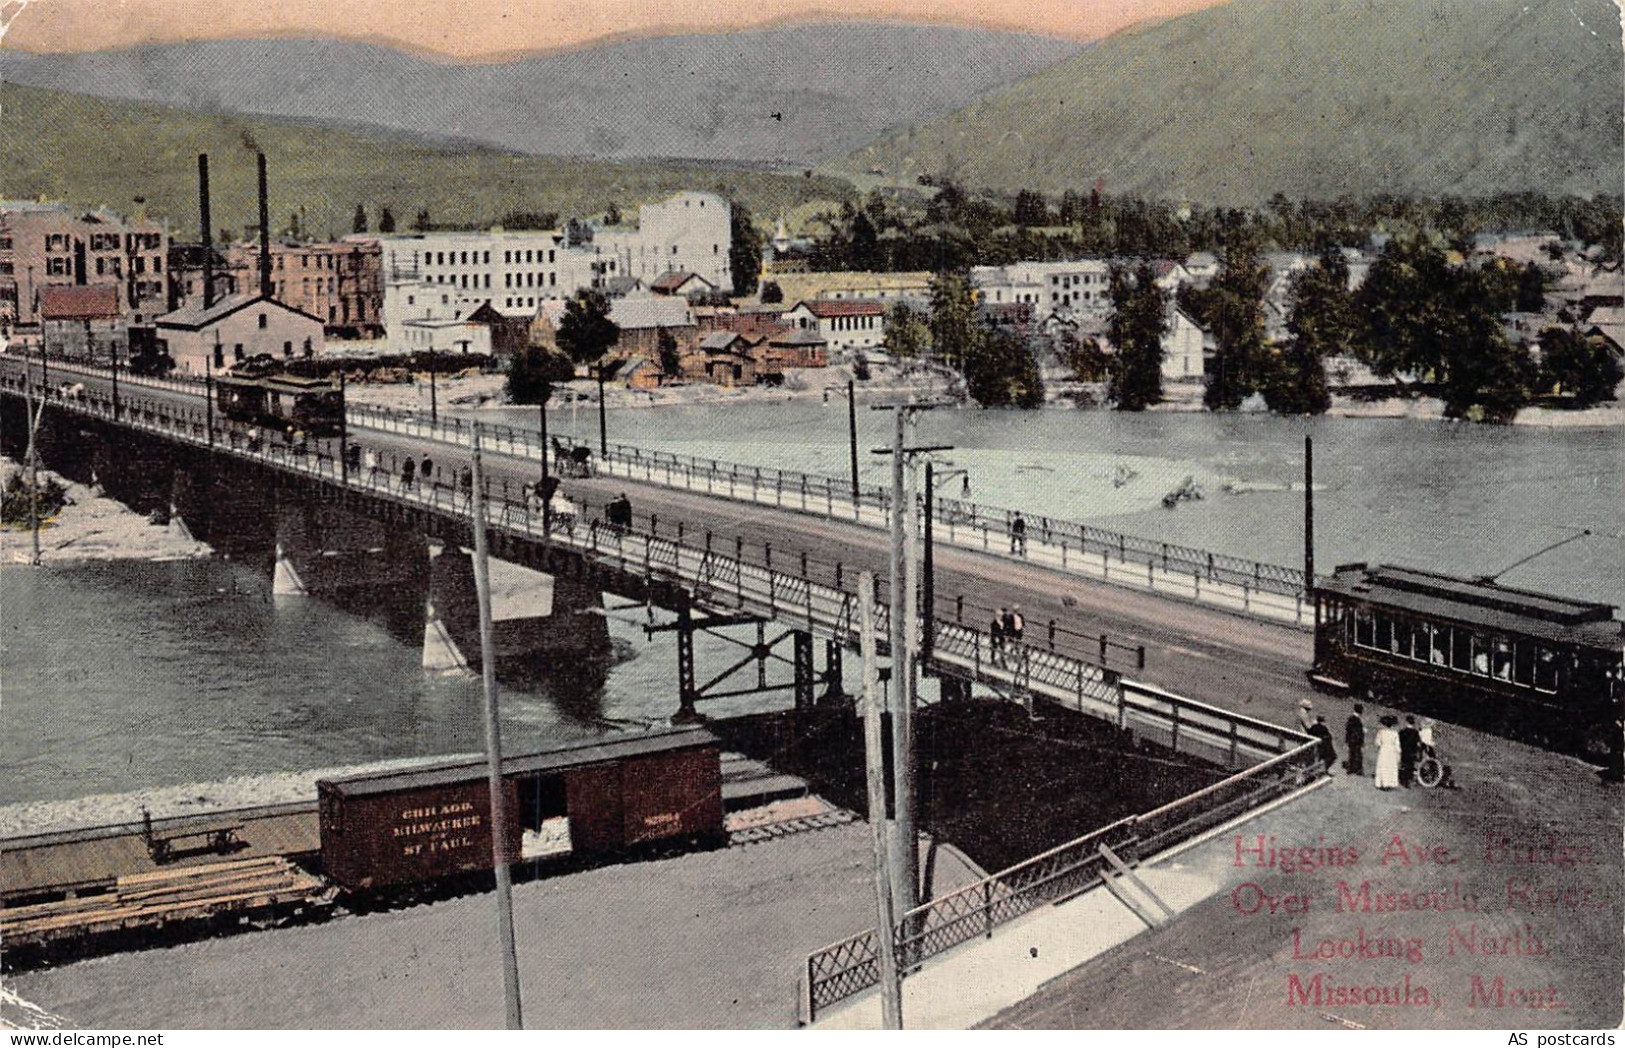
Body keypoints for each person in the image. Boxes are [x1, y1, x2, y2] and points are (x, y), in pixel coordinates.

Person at [1373, 715, 1401, 790]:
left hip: (1384, 749)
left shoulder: (1381, 732)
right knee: (1390, 766)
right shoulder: (1395, 733)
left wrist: (1380, 746)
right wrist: (1398, 753)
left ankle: (1382, 783)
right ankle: (1389, 783)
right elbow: (1397, 745)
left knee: (1383, 766)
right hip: (1392, 751)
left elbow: (1377, 743)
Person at [1398, 716, 1422, 787]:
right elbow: (1418, 743)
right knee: (1410, 766)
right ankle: (1408, 780)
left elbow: (1399, 742)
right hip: (1412, 752)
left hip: (1404, 751)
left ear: (1406, 722)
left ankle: (1404, 780)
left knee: (1404, 765)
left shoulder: (1402, 732)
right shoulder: (1416, 733)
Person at [1344, 704, 1366, 775]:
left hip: (1351, 739)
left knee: (1352, 754)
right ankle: (1358, 770)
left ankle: (1351, 769)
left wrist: (1347, 739)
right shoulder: (1357, 719)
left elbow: (1348, 729)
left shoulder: (1351, 718)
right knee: (1358, 755)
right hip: (1356, 739)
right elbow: (1357, 731)